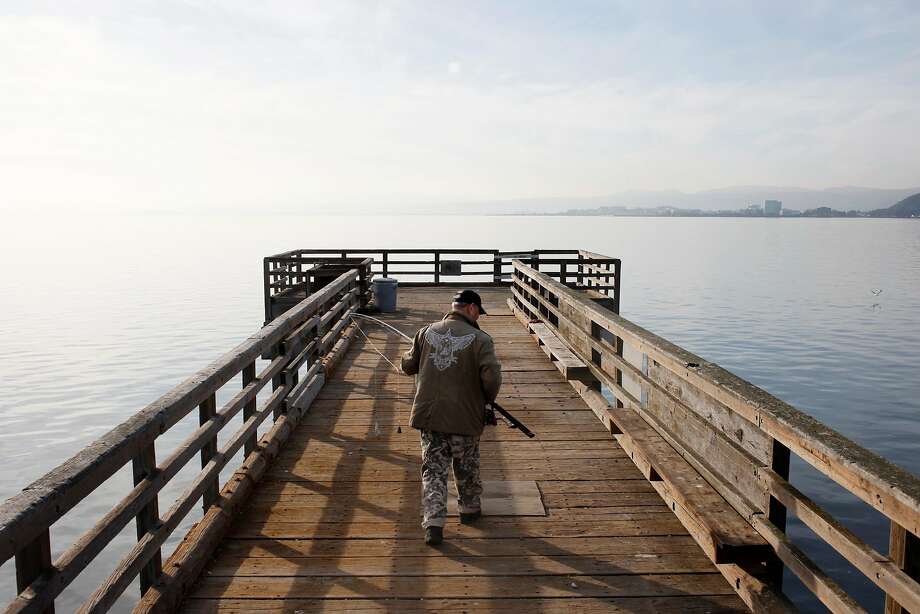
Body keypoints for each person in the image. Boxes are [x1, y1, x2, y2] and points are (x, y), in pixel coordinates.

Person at [400, 289, 502, 545]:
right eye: (478, 311)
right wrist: (486, 400)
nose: (479, 316)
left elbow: (408, 365)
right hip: (465, 416)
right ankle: (469, 510)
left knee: (433, 469)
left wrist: (408, 355)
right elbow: (492, 377)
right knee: (466, 464)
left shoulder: (425, 332)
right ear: (470, 308)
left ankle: (434, 523)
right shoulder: (481, 339)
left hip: (431, 416)